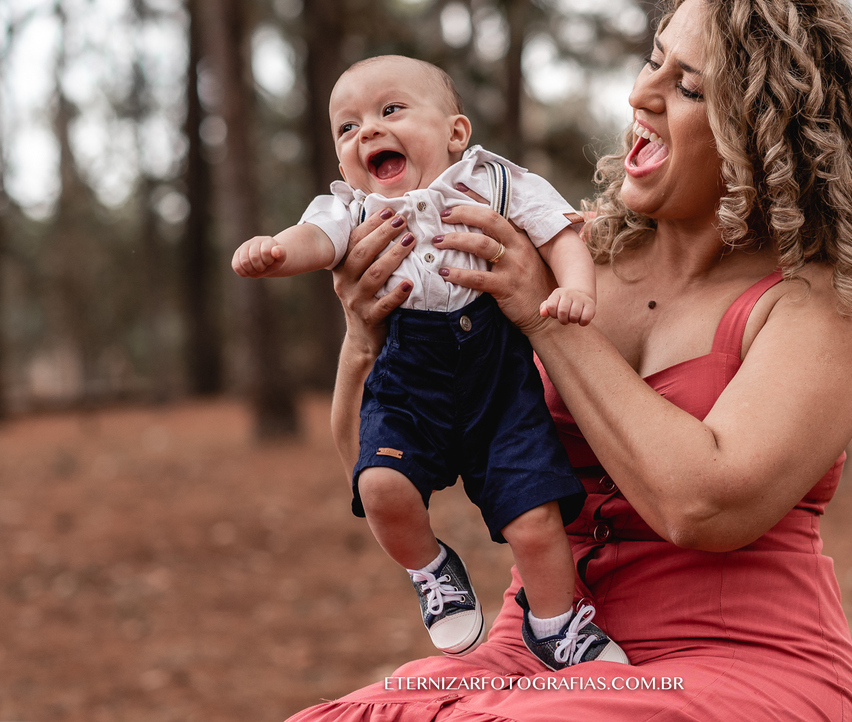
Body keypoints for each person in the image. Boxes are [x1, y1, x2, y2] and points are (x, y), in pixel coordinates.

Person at [286, 0, 852, 722]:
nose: (642, 93)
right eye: (653, 60)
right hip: (534, 648)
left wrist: (542, 315)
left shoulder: (823, 296)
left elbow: (703, 505)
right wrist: (364, 339)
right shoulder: (570, 247)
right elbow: (372, 468)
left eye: (688, 86)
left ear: (768, 130)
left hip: (735, 662)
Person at [231, 56, 627, 669]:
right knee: (379, 484)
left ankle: (556, 626)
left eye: (391, 111)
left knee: (535, 518)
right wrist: (275, 253)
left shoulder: (493, 181)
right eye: (347, 127)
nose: (367, 131)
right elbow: (313, 241)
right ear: (342, 163)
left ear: (455, 133)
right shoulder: (353, 209)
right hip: (408, 380)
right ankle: (432, 570)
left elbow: (560, 232)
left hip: (498, 385)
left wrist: (577, 288)